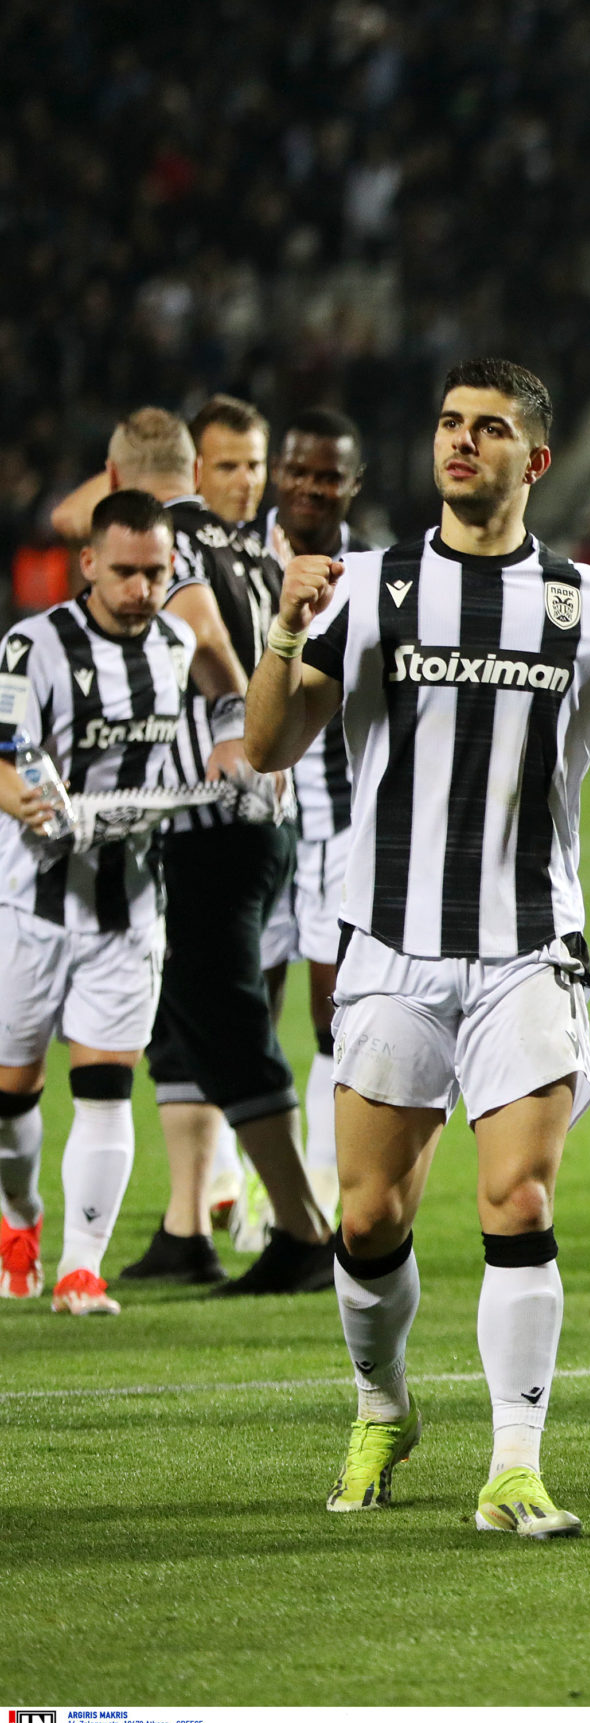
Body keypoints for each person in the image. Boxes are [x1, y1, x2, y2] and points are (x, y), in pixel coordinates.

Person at [245, 358, 590, 1537]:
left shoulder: (586, 599)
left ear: (536, 459)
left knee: (518, 1194)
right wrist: (282, 630)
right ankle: (383, 1403)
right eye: (450, 423)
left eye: (490, 428)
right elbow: (269, 744)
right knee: (369, 1215)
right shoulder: (372, 586)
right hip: (392, 945)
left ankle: (515, 1464)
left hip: (527, 948)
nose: (461, 442)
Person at [72, 403, 331, 1295]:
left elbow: (206, 638)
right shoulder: (250, 547)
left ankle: (303, 1229)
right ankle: (187, 1226)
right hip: (251, 816)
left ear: (117, 480)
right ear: (195, 467)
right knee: (181, 1028)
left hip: (207, 816)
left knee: (225, 1024)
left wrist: (228, 729)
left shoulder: (167, 543)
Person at [0, 494, 204, 1313]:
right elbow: (4, 752)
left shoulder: (179, 645)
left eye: (156, 572)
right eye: (124, 571)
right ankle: (20, 1215)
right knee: (11, 1095)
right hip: (30, 904)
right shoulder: (33, 646)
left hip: (131, 909)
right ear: (88, 563)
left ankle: (82, 1268)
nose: (142, 588)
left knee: (107, 1085)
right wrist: (25, 802)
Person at [257, 410, 367, 1238]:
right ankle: (241, 1186)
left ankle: (320, 1188)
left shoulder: (374, 577)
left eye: (327, 475)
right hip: (245, 825)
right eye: (297, 470)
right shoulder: (230, 559)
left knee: (334, 1014)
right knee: (246, 1009)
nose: (309, 486)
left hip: (339, 825)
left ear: (352, 485)